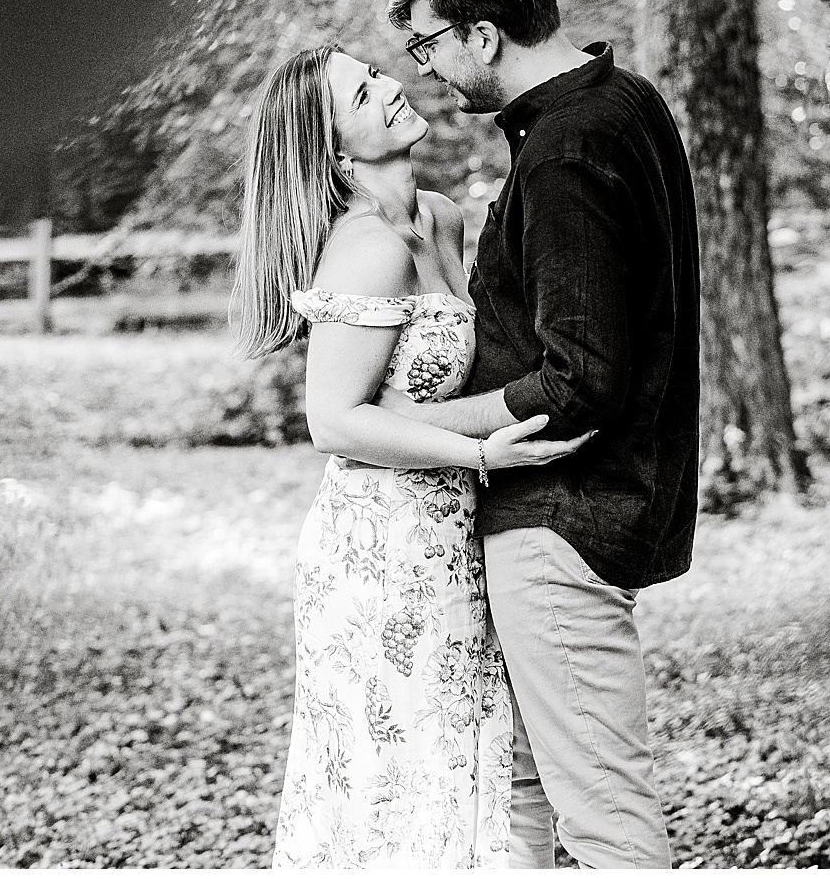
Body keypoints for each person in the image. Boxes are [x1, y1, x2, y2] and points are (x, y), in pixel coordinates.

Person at [379, 0, 701, 869]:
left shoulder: (566, 151)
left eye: (428, 43)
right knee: (520, 794)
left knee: (603, 820)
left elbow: (580, 377)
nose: (422, 68)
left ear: (484, 33)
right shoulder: (621, 102)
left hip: (564, 520)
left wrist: (426, 422)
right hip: (565, 515)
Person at [231, 44, 590, 868]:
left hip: (456, 528)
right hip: (382, 544)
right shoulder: (366, 246)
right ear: (332, 146)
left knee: (470, 751)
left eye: (378, 72)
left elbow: (422, 387)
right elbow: (334, 420)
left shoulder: (439, 217)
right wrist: (483, 455)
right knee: (404, 763)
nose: (393, 86)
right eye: (363, 92)